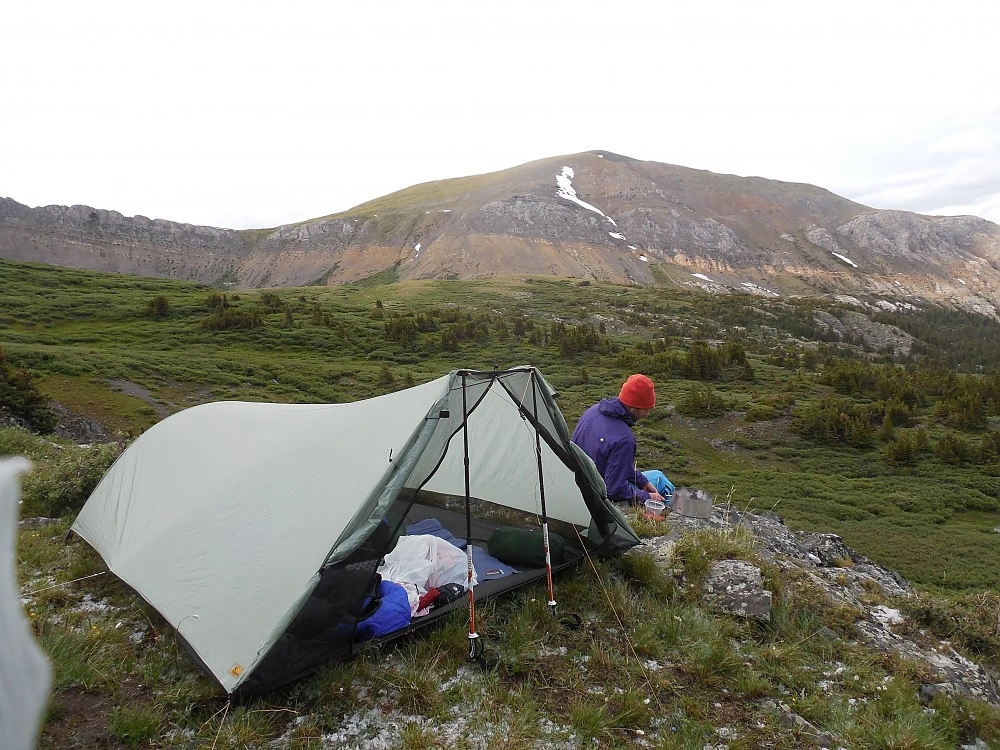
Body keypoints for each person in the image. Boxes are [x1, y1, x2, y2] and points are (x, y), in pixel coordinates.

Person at [571, 374, 674, 507]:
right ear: (633, 406)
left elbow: (612, 463)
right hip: (596, 495)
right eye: (645, 409)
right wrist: (647, 496)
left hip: (577, 483)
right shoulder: (624, 439)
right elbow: (614, 490)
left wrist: (643, 482)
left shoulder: (593, 411)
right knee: (660, 480)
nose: (647, 413)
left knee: (650, 479)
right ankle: (662, 513)